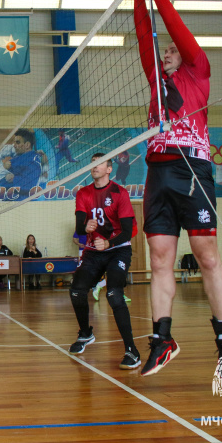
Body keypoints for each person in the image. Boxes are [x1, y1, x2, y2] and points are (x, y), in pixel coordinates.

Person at [132, 0, 222, 376]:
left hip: (193, 168)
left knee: (207, 255)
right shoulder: (157, 83)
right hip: (158, 173)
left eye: (171, 50)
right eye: (165, 51)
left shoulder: (199, 71)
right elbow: (144, 38)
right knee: (159, 257)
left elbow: (175, 28)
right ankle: (162, 339)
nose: (166, 53)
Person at [68, 152, 140, 370]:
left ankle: (131, 350)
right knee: (76, 291)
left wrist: (109, 243)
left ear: (109, 169)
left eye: (99, 164)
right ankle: (85, 334)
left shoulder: (120, 193)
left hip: (117, 250)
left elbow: (127, 232)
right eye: (92, 163)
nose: (94, 166)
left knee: (113, 294)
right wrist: (85, 227)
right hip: (92, 250)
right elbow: (80, 227)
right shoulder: (83, 193)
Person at [2, 129, 44, 194]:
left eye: (17, 142)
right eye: (14, 142)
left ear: (27, 145)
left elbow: (30, 184)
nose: (14, 145)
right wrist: (4, 166)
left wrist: (13, 178)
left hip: (20, 199)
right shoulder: (19, 157)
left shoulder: (33, 161)